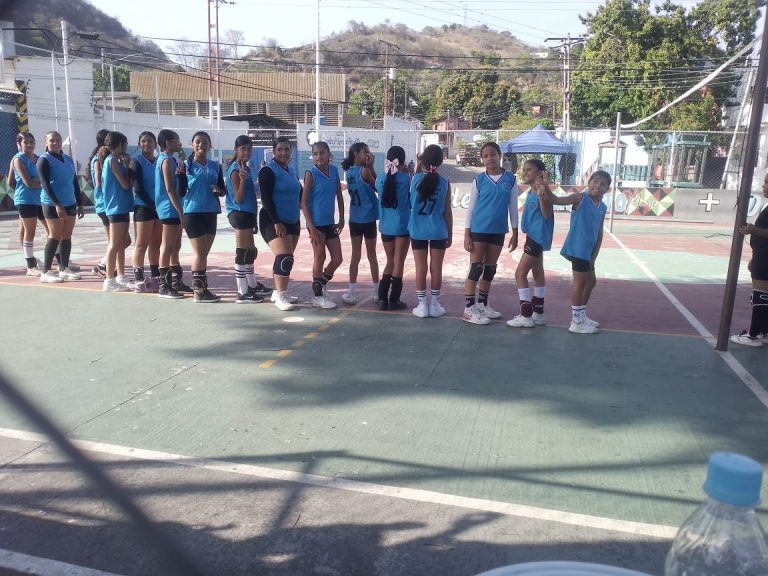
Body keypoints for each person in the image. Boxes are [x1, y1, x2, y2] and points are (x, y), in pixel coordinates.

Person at [462, 142, 519, 325]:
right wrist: (467, 233)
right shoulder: (478, 180)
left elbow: (513, 208)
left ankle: (482, 304)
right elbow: (471, 209)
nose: (489, 158)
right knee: (476, 268)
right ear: (482, 159)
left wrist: (515, 232)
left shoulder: (510, 179)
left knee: (490, 269)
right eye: (485, 156)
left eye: (492, 154)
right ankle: (469, 308)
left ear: (499, 155)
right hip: (478, 230)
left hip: (498, 231)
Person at [554, 170, 612, 334]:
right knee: (580, 283)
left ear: (607, 189)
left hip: (588, 250)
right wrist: (544, 189)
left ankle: (582, 315)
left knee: (591, 282)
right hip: (577, 247)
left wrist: (594, 255)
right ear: (589, 182)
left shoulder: (602, 207)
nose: (598, 186)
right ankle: (576, 322)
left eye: (603, 184)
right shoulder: (580, 198)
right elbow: (557, 200)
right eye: (595, 181)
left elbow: (599, 233)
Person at [224, 135, 272, 304]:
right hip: (239, 213)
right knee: (242, 252)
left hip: (248, 214)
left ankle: (252, 285)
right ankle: (242, 292)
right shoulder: (236, 171)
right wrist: (243, 181)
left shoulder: (246, 167)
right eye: (243, 148)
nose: (246, 152)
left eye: (249, 149)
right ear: (236, 150)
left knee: (250, 251)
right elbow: (238, 198)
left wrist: (253, 219)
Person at [508, 159, 554, 328]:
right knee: (538, 273)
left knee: (520, 274)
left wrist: (543, 193)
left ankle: (526, 314)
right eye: (524, 170)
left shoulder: (541, 191)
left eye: (529, 170)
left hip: (537, 237)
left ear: (539, 174)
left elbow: (547, 214)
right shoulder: (531, 190)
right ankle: (538, 313)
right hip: (534, 236)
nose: (525, 172)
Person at [258, 136, 302, 311]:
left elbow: (300, 194)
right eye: (280, 150)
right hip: (272, 220)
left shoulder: (291, 170)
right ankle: (281, 295)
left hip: (293, 220)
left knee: (286, 257)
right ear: (274, 152)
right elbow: (266, 199)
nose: (283, 153)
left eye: (287, 150)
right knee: (285, 256)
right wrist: (276, 222)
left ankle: (279, 291)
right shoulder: (268, 171)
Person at [408, 144, 452, 318]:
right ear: (440, 162)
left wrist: (418, 165)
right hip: (438, 230)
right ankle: (434, 304)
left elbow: (412, 203)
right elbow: (447, 213)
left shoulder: (416, 179)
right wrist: (449, 232)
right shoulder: (445, 183)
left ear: (423, 160)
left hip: (418, 230)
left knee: (420, 268)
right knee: (436, 268)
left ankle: (422, 305)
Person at [181, 131, 225, 303]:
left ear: (209, 146)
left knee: (204, 253)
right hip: (193, 212)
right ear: (192, 144)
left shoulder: (215, 166)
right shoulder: (185, 165)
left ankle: (202, 288)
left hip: (211, 212)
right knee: (200, 253)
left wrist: (219, 190)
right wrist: (179, 175)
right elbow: (180, 191)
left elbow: (222, 190)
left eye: (205, 142)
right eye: (198, 142)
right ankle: (198, 291)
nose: (201, 145)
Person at [301, 140, 344, 310]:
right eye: (316, 153)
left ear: (328, 154)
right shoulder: (310, 173)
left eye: (322, 153)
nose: (319, 156)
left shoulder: (334, 170)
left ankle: (321, 282)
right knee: (320, 256)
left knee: (337, 258)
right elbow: (303, 203)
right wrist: (311, 227)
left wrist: (341, 219)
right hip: (316, 224)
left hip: (330, 223)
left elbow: (339, 196)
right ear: (313, 157)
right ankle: (317, 295)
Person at [36, 131, 84, 283]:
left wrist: (80, 203)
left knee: (66, 236)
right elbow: (44, 184)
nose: (55, 143)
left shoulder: (68, 159)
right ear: (46, 143)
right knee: (54, 236)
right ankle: (46, 271)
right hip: (52, 204)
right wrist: (57, 204)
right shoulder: (44, 160)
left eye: (58, 140)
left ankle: (64, 268)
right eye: (52, 140)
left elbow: (74, 182)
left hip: (69, 202)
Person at [730, 173, 768, 347]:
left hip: (765, 255)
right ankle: (764, 332)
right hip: (761, 254)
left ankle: (753, 335)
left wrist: (753, 230)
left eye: (767, 183)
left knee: (759, 295)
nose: (763, 186)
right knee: (763, 296)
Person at [341, 142, 379, 305]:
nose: (368, 154)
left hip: (355, 218)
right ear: (356, 153)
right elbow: (378, 186)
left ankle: (351, 291)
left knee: (355, 255)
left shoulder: (349, 172)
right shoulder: (365, 170)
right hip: (368, 218)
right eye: (365, 151)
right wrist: (371, 167)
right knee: (371, 255)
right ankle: (377, 292)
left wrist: (368, 166)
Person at [376, 145, 411, 310]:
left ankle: (382, 298)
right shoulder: (406, 180)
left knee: (390, 260)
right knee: (399, 261)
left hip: (385, 227)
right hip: (402, 226)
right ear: (402, 163)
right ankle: (394, 299)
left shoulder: (380, 179)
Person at [99, 131, 135, 291]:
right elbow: (126, 185)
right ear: (119, 144)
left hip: (122, 205)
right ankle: (109, 280)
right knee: (114, 244)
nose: (126, 147)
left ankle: (120, 276)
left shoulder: (115, 160)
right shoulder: (112, 160)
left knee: (121, 244)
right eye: (125, 144)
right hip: (115, 207)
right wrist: (127, 166)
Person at [155, 129, 187, 299]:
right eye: (177, 140)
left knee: (175, 245)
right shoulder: (166, 161)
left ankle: (176, 280)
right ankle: (163, 285)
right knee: (167, 246)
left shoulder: (172, 160)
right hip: (169, 209)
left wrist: (181, 156)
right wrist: (180, 211)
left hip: (174, 208)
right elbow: (169, 189)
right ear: (168, 142)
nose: (179, 143)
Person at [130, 131, 162, 293]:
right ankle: (139, 279)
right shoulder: (136, 162)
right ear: (139, 143)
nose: (147, 144)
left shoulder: (158, 162)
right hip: (143, 208)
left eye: (150, 141)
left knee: (156, 244)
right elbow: (138, 189)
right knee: (141, 244)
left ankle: (156, 277)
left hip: (158, 208)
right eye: (143, 141)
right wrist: (153, 205)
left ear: (155, 144)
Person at [11, 132, 44, 276]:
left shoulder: (37, 158)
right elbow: (28, 183)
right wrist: (46, 184)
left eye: (32, 141)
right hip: (25, 200)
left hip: (40, 199)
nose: (29, 145)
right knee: (29, 232)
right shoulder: (18, 159)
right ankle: (30, 265)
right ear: (19, 144)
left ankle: (60, 260)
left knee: (51, 229)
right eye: (26, 142)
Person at [87, 129, 111, 278]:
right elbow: (98, 182)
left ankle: (105, 265)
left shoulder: (107, 158)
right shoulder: (99, 159)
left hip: (109, 204)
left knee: (118, 241)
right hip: (105, 205)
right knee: (117, 241)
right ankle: (102, 266)